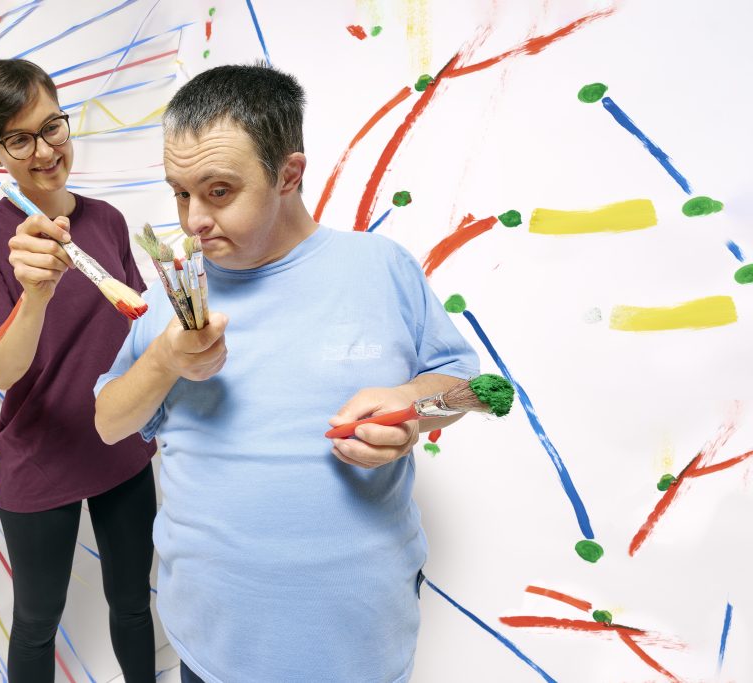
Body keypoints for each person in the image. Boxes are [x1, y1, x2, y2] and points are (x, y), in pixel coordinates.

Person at [93, 64, 480, 682]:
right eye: (180, 193)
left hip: (361, 646)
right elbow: (109, 424)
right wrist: (165, 360)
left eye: (219, 191)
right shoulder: (175, 293)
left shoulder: (381, 267)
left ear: (288, 175)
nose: (192, 220)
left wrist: (413, 406)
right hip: (212, 646)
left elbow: (468, 389)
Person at [0, 59, 157, 683]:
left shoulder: (108, 220)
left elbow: (138, 328)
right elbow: (0, 369)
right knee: (37, 621)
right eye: (18, 139)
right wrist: (35, 293)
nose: (44, 152)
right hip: (40, 455)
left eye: (51, 127)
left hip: (122, 445)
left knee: (133, 604)